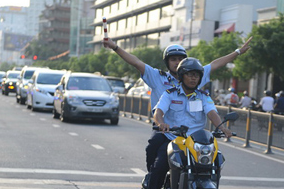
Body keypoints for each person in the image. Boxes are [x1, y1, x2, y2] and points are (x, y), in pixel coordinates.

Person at [103, 36, 251, 174]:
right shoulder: (158, 78)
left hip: (193, 136)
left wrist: (238, 52)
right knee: (155, 153)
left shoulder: (195, 78)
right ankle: (152, 181)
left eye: (180, 59)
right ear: (167, 62)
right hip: (167, 131)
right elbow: (135, 62)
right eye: (173, 59)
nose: (177, 62)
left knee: (213, 162)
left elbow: (215, 65)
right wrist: (115, 47)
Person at [149, 58, 233, 189]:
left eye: (196, 75)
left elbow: (212, 112)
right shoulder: (170, 94)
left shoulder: (203, 96)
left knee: (216, 161)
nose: (194, 78)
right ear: (181, 76)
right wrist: (161, 123)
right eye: (190, 74)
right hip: (174, 139)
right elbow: (159, 111)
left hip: (196, 142)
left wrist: (222, 127)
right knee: (160, 164)